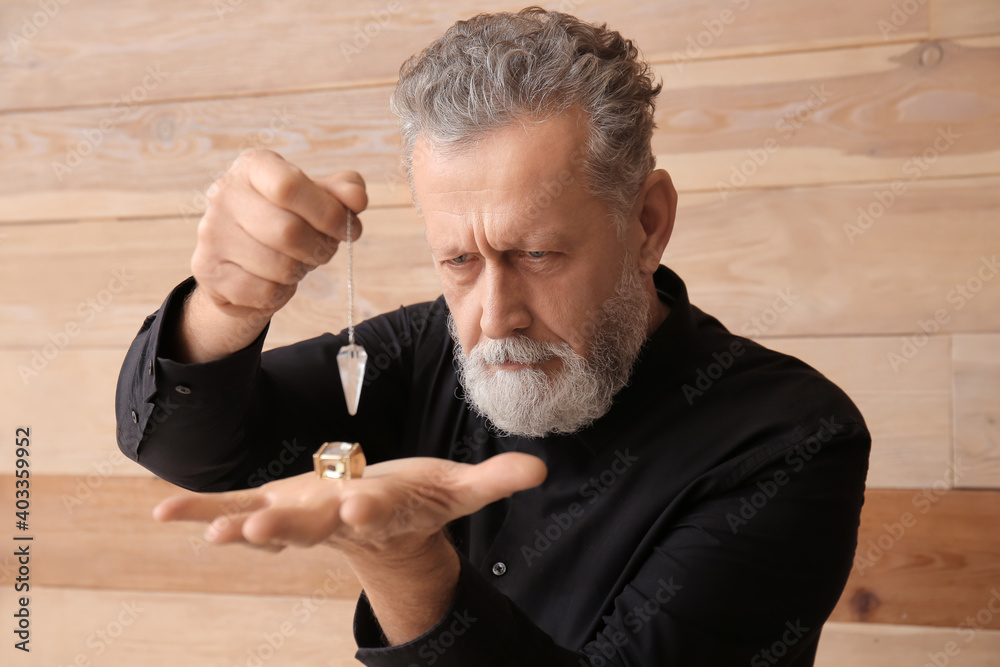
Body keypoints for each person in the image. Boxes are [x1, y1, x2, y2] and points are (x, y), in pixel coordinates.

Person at [115, 7, 871, 666]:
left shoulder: (790, 439)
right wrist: (225, 305)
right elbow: (193, 445)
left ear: (647, 223)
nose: (493, 315)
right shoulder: (424, 348)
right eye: (460, 260)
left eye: (536, 254)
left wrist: (407, 567)